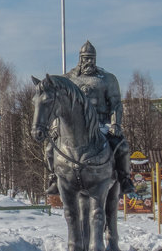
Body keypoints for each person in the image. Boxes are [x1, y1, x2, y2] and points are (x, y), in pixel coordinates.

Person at [45, 40, 133, 198]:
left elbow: (115, 104)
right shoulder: (68, 79)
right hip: (74, 127)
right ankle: (54, 177)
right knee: (50, 148)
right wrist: (55, 126)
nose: (89, 61)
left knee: (122, 147)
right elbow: (59, 106)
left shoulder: (107, 79)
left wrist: (115, 124)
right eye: (85, 58)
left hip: (101, 123)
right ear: (80, 59)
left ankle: (124, 178)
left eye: (91, 58)